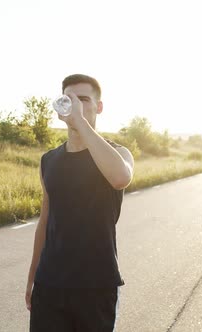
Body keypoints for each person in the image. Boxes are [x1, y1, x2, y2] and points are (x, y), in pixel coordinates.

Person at [25, 74, 134, 332]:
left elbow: (120, 178)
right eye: (69, 99)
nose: (75, 105)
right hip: (49, 284)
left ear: (99, 107)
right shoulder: (49, 161)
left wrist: (81, 123)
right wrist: (32, 278)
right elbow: (45, 221)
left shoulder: (118, 153)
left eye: (83, 99)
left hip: (96, 286)